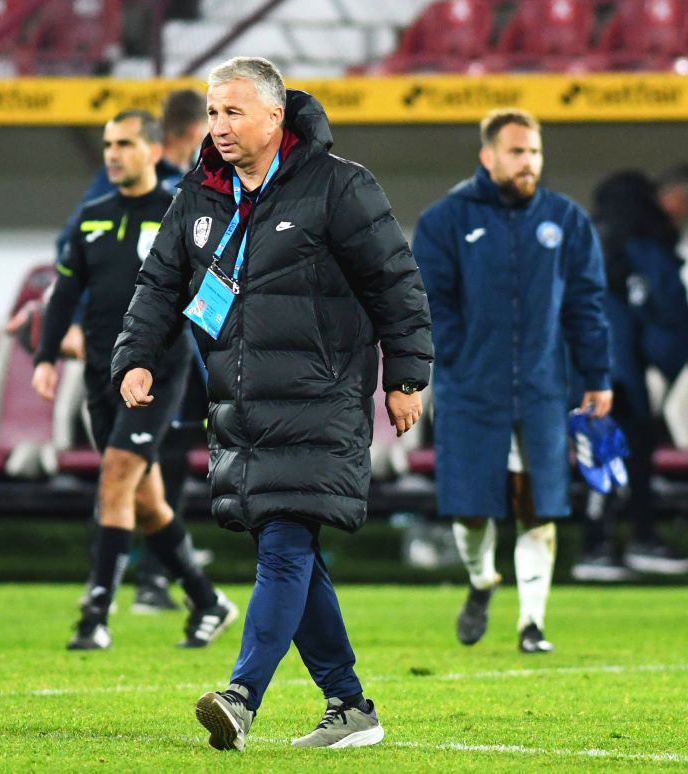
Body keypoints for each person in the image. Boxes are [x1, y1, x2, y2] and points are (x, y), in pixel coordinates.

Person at [114, 57, 433, 751]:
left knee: (285, 542)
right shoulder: (199, 196)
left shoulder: (339, 186)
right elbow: (159, 285)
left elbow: (396, 284)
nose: (219, 126)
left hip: (322, 397)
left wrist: (406, 376)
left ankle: (241, 698)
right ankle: (350, 706)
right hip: (241, 405)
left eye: (233, 112)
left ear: (275, 116)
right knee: (291, 550)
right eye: (213, 112)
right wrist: (135, 356)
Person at [32, 109, 235, 651]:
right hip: (100, 371)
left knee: (117, 478)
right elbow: (65, 294)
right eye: (108, 145)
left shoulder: (180, 213)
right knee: (144, 500)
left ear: (153, 150)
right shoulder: (92, 217)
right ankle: (207, 600)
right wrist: (46, 356)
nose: (113, 154)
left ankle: (95, 615)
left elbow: (212, 285)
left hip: (155, 371)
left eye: (124, 144)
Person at [413, 108, 611, 654]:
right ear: (489, 156)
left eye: (535, 153)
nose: (529, 163)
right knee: (472, 507)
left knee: (536, 505)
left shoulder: (566, 221)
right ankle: (482, 581)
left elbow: (587, 305)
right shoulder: (444, 221)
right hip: (471, 390)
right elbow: (430, 305)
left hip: (542, 392)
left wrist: (597, 375)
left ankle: (532, 624)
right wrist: (461, 359)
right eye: (517, 152)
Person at [572, 166, 688, 581]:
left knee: (606, 451)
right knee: (627, 450)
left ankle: (610, 543)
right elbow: (668, 310)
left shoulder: (586, 240)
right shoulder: (643, 245)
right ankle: (612, 545)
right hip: (617, 372)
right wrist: (677, 352)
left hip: (579, 368)